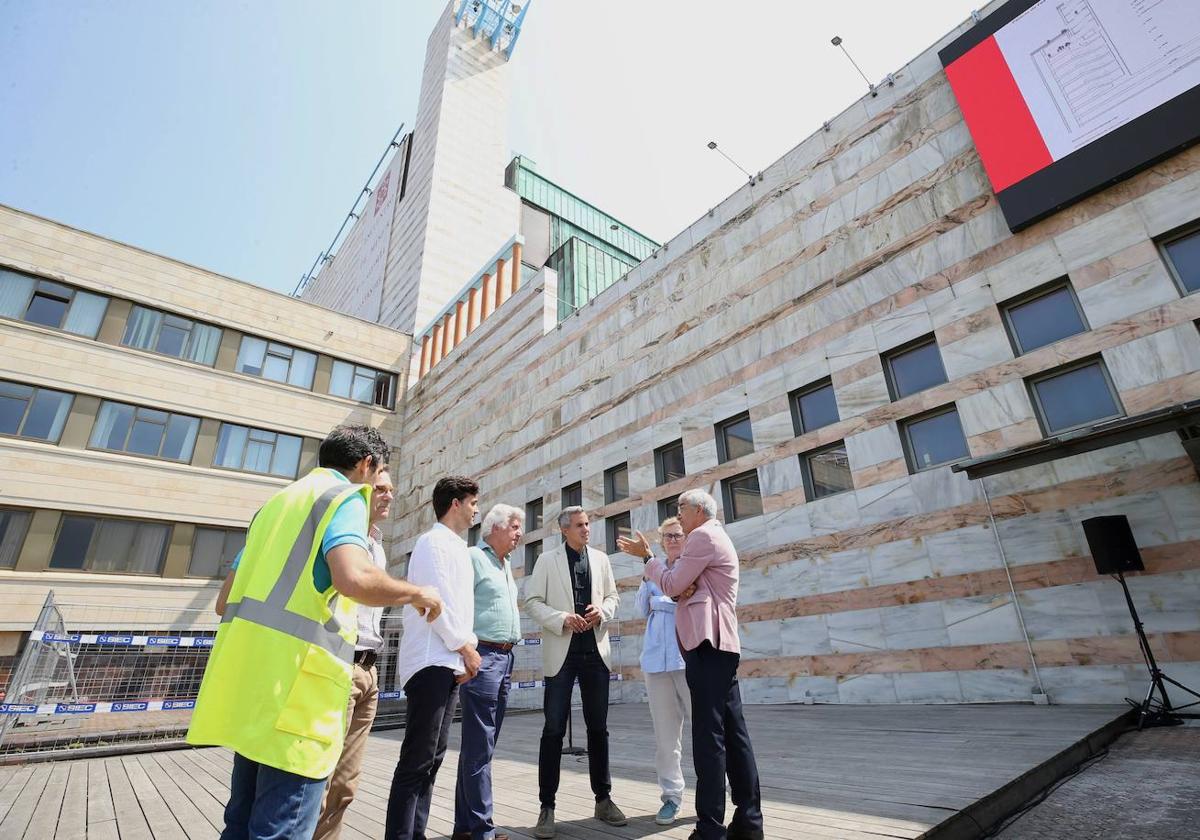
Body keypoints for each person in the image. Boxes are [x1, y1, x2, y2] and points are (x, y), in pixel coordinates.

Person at [189, 425, 443, 840]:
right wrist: (418, 592)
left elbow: (224, 602)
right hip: (299, 700)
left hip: (251, 691)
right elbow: (353, 577)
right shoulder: (342, 498)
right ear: (366, 465)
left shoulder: (275, 506)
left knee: (240, 824)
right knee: (282, 829)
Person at [620, 490, 764, 840]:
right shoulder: (713, 536)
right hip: (720, 646)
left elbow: (671, 584)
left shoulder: (701, 535)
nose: (678, 516)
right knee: (733, 733)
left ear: (699, 510)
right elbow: (682, 586)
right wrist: (682, 585)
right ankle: (748, 822)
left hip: (706, 646)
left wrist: (648, 558)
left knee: (708, 737)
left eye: (681, 509)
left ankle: (709, 828)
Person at [384, 476, 482, 840]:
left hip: (448, 661)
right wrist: (466, 648)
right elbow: (433, 604)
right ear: (455, 503)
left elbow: (456, 606)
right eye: (473, 502)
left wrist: (462, 652)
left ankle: (416, 833)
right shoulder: (432, 543)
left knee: (432, 758)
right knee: (416, 760)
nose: (477, 510)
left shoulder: (456, 546)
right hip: (430, 661)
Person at [523, 506, 626, 839]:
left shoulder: (601, 559)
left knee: (599, 728)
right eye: (580, 525)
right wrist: (560, 618)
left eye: (588, 524)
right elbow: (532, 601)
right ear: (563, 529)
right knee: (553, 729)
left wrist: (603, 611)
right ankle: (547, 807)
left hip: (596, 653)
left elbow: (613, 597)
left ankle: (604, 799)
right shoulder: (546, 561)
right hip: (562, 654)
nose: (587, 529)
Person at [312, 466, 396, 840]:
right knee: (318, 779)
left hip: (370, 672)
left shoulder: (378, 546)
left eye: (391, 489)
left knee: (345, 786)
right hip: (338, 665)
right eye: (380, 488)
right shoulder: (341, 536)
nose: (388, 495)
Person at [452, 504, 525, 840]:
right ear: (495, 527)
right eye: (514, 526)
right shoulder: (473, 558)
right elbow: (457, 606)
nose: (519, 533)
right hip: (482, 657)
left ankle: (465, 828)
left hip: (505, 658)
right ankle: (482, 829)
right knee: (479, 746)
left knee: (478, 747)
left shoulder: (505, 563)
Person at [633, 517, 692, 826]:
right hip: (656, 662)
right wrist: (649, 582)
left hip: (688, 661)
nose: (672, 540)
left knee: (708, 731)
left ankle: (717, 793)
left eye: (677, 535)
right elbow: (641, 609)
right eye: (667, 536)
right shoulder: (652, 570)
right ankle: (671, 797)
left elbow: (683, 602)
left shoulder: (692, 566)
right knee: (666, 739)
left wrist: (662, 601)